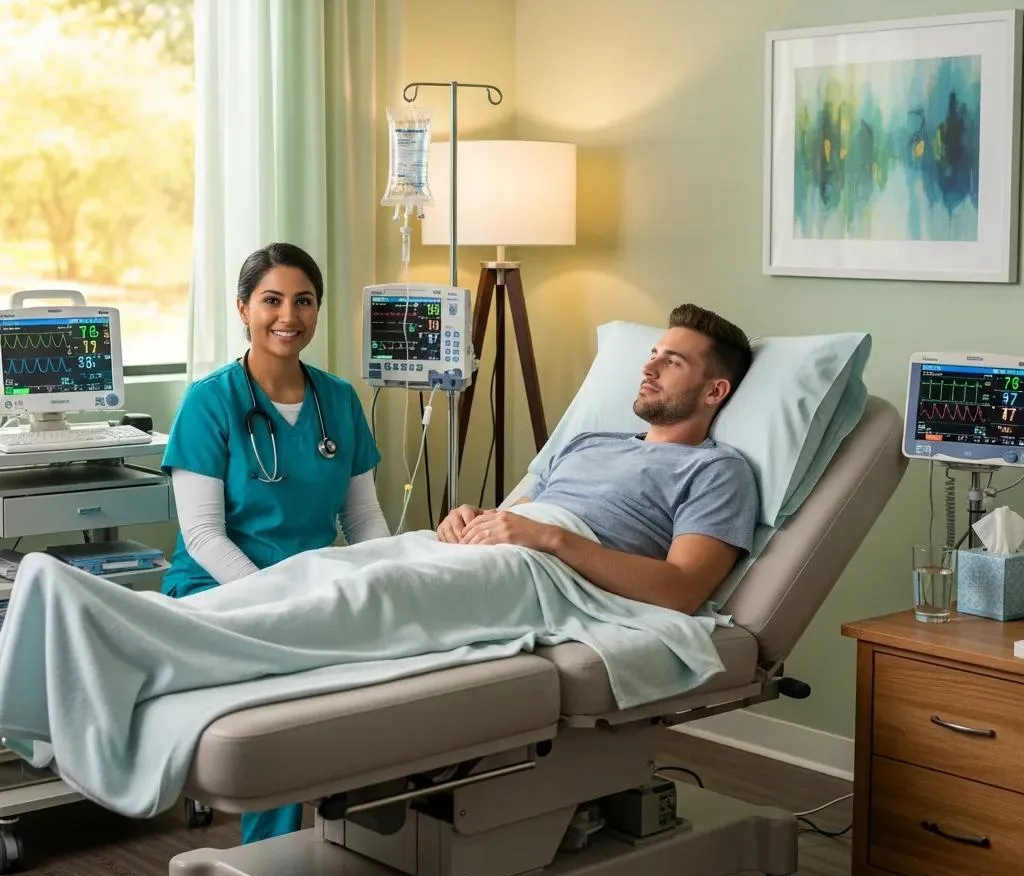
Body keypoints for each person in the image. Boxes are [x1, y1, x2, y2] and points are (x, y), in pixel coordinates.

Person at [160, 241, 389, 844]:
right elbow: (203, 535)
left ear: (318, 312)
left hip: (310, 585)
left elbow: (364, 519)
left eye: (304, 301)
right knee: (278, 706)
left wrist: (385, 577)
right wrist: (277, 596)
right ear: (243, 309)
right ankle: (275, 854)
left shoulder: (337, 400)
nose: (289, 315)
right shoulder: (210, 402)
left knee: (396, 663)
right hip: (220, 586)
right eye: (272, 300)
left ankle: (376, 836)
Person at [436, 303, 759, 616]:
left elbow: (683, 591)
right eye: (653, 355)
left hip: (542, 577)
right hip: (483, 555)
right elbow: (515, 520)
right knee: (387, 561)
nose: (648, 369)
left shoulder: (717, 470)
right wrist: (472, 520)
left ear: (714, 392)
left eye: (672, 362)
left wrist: (551, 538)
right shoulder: (587, 442)